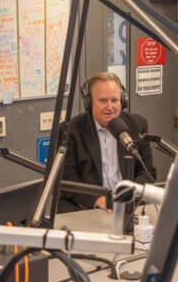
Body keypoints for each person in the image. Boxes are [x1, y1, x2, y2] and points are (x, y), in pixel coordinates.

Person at [60, 72, 157, 212]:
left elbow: (147, 172)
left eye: (114, 100)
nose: (110, 107)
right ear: (89, 103)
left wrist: (130, 195)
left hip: (129, 204)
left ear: (122, 102)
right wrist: (96, 200)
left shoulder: (137, 125)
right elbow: (67, 179)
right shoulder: (71, 130)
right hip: (87, 208)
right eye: (103, 101)